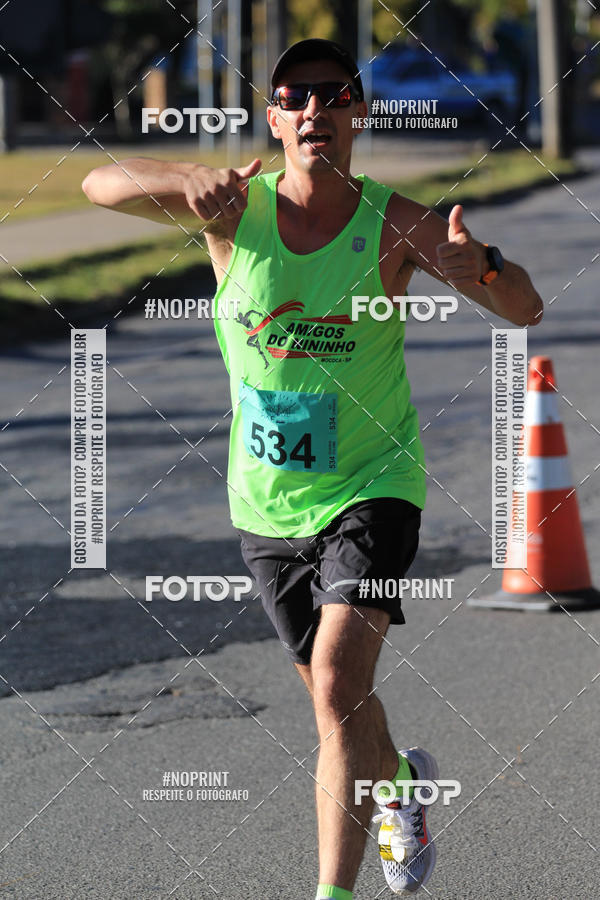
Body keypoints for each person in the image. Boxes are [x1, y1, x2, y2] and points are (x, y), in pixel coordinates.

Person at [82, 38, 543, 897]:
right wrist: (187, 179)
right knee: (341, 707)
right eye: (294, 98)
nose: (313, 112)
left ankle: (330, 893)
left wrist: (478, 265)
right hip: (265, 501)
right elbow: (94, 184)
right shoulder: (233, 212)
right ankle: (401, 783)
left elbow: (525, 307)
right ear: (274, 118)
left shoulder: (397, 223)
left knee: (336, 683)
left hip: (374, 483)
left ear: (359, 112)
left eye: (332, 96)